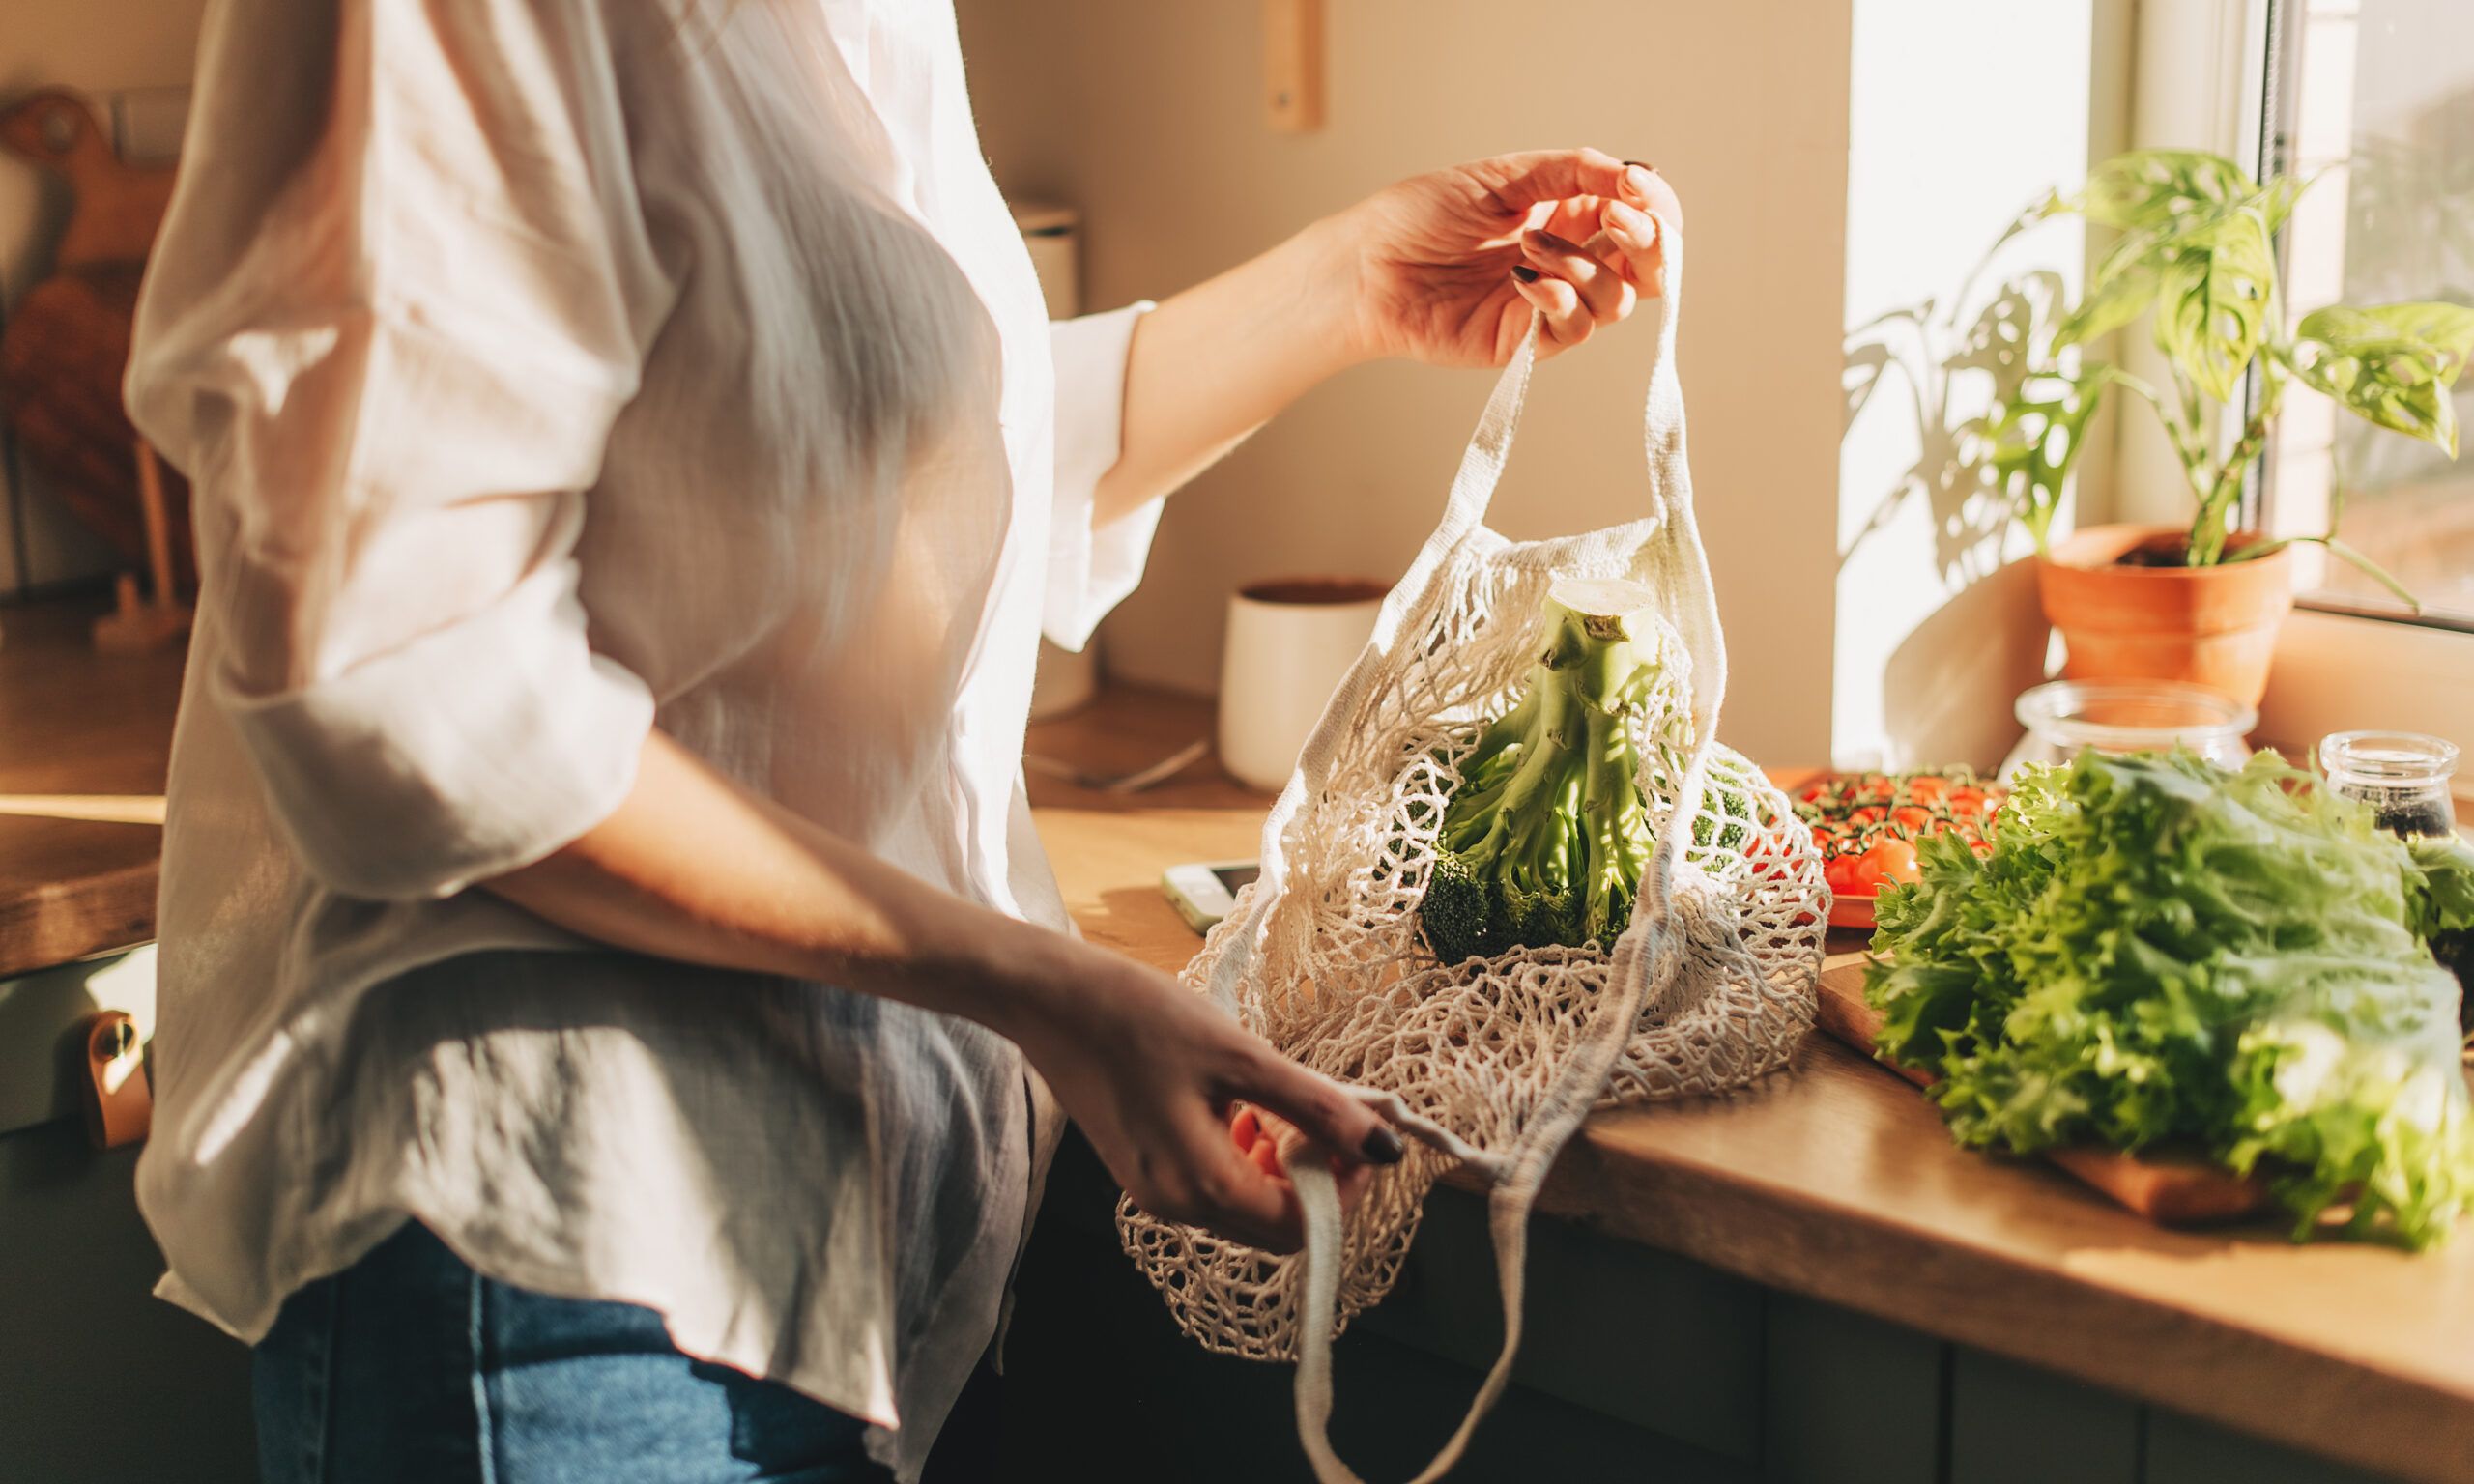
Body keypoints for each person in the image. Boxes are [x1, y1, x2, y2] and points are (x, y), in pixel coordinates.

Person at [124, 2, 1679, 1480]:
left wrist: (1351, 283)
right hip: (559, 1276)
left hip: (865, 1269)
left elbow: (874, 454)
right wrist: (1040, 985)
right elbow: (403, 678)